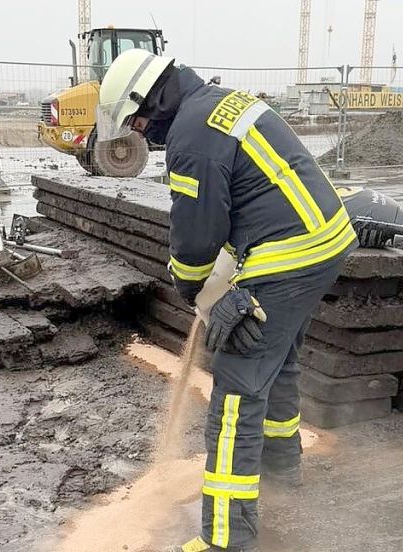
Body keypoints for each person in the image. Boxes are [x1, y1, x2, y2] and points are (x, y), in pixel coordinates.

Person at [97, 49, 358, 552]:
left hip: (287, 258)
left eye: (136, 120)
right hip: (323, 243)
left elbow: (197, 235)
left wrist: (193, 288)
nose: (140, 132)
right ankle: (282, 476)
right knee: (277, 366)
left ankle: (225, 540)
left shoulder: (191, 137)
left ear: (151, 100)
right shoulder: (219, 103)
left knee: (236, 395)